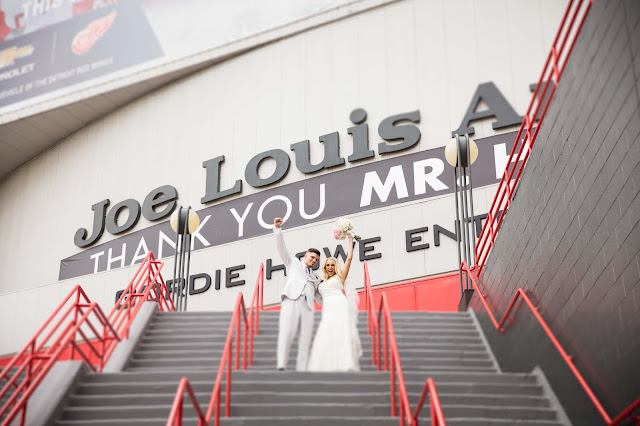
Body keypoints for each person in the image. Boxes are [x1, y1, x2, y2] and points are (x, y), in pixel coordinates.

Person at [273, 217, 323, 371]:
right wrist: (277, 229)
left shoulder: (315, 277)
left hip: (308, 306)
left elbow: (320, 296)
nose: (314, 260)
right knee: (287, 331)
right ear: (305, 256)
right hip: (292, 299)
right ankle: (281, 364)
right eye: (312, 257)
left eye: (316, 259)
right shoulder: (293, 262)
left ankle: (302, 368)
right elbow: (282, 247)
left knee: (305, 338)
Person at [307, 233, 362, 372]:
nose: (330, 267)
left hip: (339, 304)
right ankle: (328, 364)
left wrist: (350, 240)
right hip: (328, 307)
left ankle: (346, 362)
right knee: (327, 330)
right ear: (325, 268)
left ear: (335, 266)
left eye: (332, 265)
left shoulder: (340, 277)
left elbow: (349, 258)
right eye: (327, 265)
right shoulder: (320, 281)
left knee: (341, 330)